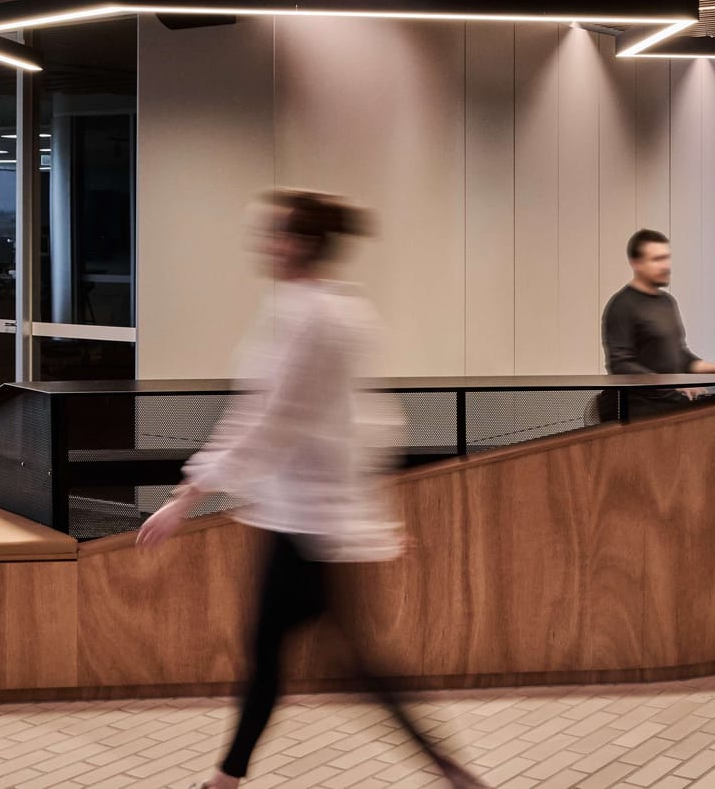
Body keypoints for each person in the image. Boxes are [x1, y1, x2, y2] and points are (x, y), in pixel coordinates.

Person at [135, 190, 487, 789]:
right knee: (338, 660)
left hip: (303, 521)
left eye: (274, 234)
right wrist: (369, 511)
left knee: (280, 655)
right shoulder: (339, 310)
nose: (264, 245)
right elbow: (364, 419)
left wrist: (190, 494)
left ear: (299, 243)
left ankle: (224, 782)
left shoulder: (308, 316)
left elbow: (273, 418)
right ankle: (448, 769)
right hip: (309, 516)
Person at [601, 228, 715, 416]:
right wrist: (672, 385)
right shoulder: (622, 306)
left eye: (666, 258)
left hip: (673, 401)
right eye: (657, 260)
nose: (665, 265)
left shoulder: (667, 302)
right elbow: (620, 365)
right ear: (636, 263)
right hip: (642, 410)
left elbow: (681, 356)